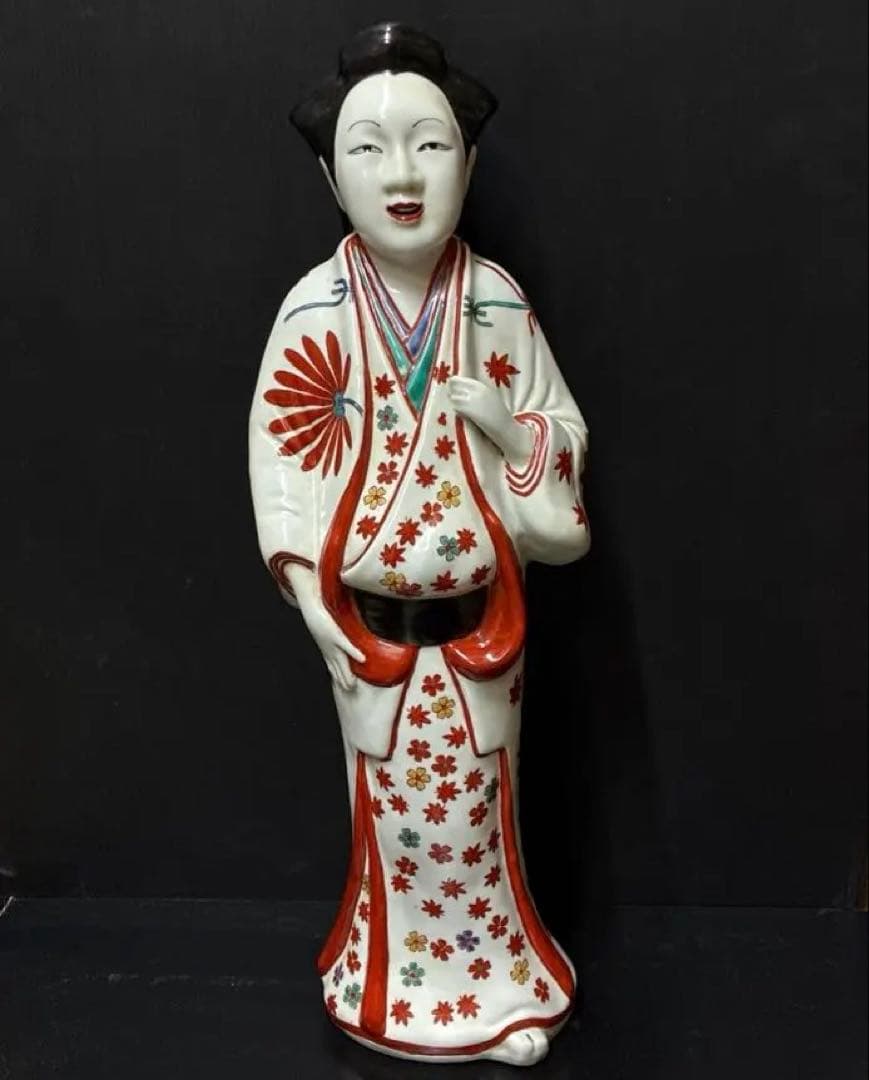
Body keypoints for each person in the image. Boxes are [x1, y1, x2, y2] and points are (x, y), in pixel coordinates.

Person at [248, 22, 590, 1066]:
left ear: (468, 166)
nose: (402, 175)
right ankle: (391, 982)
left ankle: (493, 985)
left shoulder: (494, 302)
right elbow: (282, 462)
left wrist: (506, 429)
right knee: (392, 820)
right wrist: (314, 604)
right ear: (329, 174)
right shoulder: (315, 308)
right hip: (370, 635)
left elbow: (561, 431)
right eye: (369, 148)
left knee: (479, 814)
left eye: (430, 145)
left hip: (482, 629)